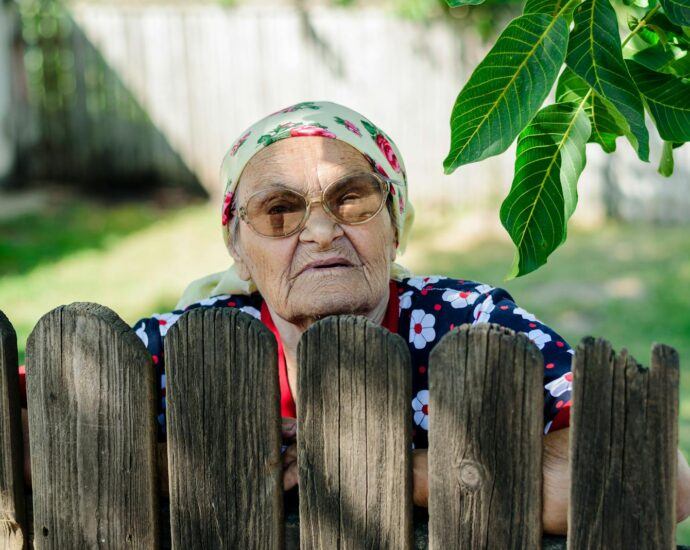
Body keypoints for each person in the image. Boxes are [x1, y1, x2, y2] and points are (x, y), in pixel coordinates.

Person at [132, 100, 690, 534]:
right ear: (237, 247)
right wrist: (187, 462)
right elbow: (45, 431)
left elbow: (656, 477)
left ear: (396, 224)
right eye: (279, 212)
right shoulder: (184, 343)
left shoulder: (470, 323)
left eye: (352, 201)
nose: (322, 232)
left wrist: (386, 468)